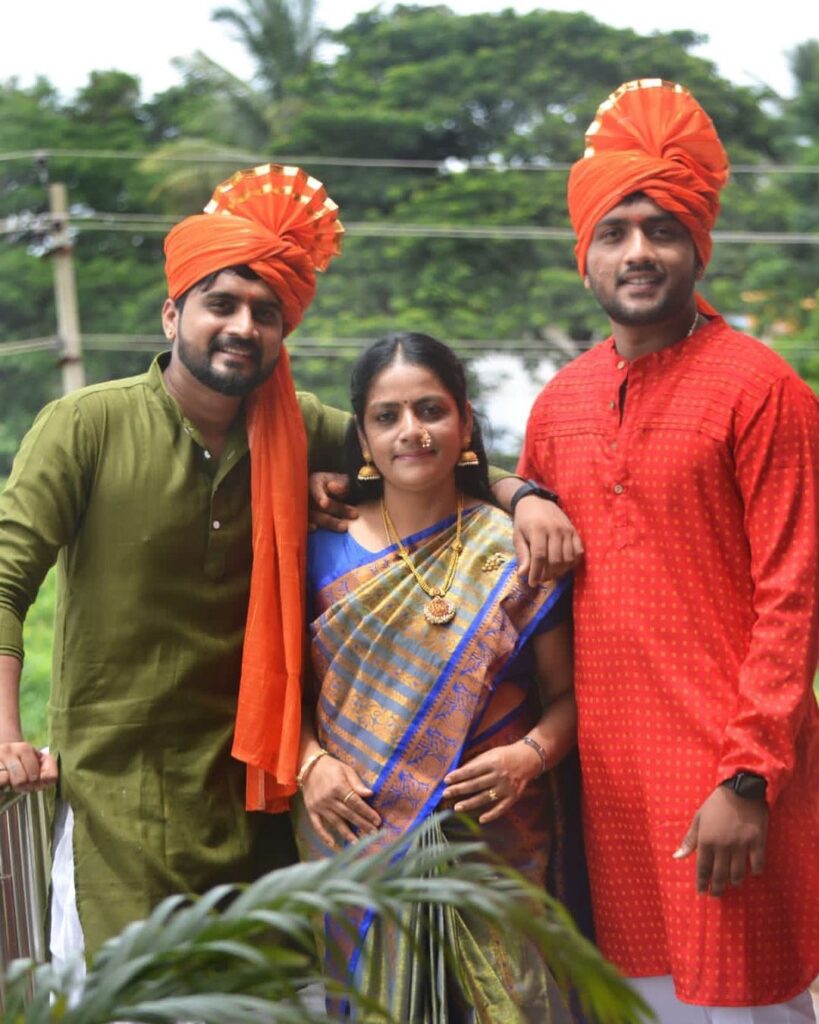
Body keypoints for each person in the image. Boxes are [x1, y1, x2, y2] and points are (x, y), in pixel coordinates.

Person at [0, 164, 577, 968]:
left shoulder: (295, 425)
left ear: (282, 333)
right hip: (117, 792)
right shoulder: (84, 425)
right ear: (173, 313)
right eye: (220, 304)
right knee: (133, 992)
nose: (242, 325)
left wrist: (526, 496)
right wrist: (6, 733)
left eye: (264, 312)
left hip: (261, 796)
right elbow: (6, 579)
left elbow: (417, 451)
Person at [518, 79, 819, 1023]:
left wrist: (745, 779)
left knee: (748, 1004)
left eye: (660, 228)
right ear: (585, 257)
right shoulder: (557, 405)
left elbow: (794, 595)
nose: (637, 250)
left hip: (730, 799)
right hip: (604, 803)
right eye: (614, 231)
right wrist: (513, 489)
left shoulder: (761, 390)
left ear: (697, 246)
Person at [293, 331, 581, 1023]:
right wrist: (309, 765)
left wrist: (526, 756)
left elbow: (567, 697)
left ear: (465, 423)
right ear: (361, 437)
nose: (411, 432)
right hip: (357, 845)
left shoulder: (512, 545)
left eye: (430, 410)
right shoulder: (315, 548)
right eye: (387, 417)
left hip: (498, 842)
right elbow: (280, 693)